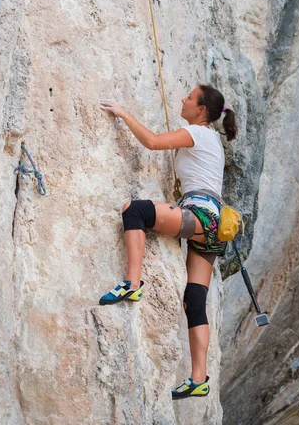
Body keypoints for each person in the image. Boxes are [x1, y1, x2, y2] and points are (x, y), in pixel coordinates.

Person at [98, 85, 237, 399]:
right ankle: (198, 379)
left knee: (135, 211)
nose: (183, 100)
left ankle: (132, 283)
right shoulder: (212, 138)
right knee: (195, 298)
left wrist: (122, 112)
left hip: (199, 216)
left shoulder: (198, 134)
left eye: (189, 97)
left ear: (201, 110)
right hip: (214, 226)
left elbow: (151, 142)